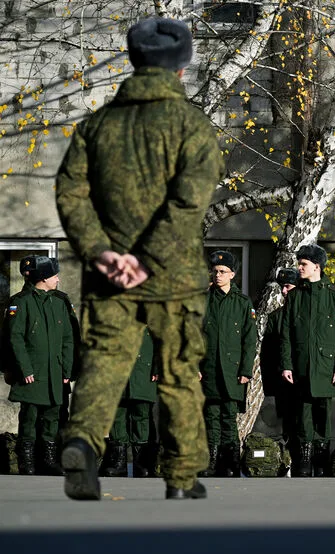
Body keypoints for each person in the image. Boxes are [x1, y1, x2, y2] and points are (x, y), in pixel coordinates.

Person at [56, 16, 225, 500]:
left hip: (109, 275)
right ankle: (182, 476)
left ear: (133, 61)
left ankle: (82, 446)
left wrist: (102, 253)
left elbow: (70, 193)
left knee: (104, 362)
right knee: (178, 370)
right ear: (181, 68)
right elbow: (189, 202)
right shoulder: (192, 126)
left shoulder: (96, 126)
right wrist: (147, 259)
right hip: (173, 273)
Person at [280, 245, 335, 477]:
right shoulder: (295, 296)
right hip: (301, 366)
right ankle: (304, 460)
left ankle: (321, 460)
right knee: (304, 415)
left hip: (326, 367)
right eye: (299, 263)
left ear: (317, 266)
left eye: (304, 264)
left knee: (323, 415)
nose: (299, 268)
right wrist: (286, 364)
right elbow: (286, 334)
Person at [3, 256, 74, 476]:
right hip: (33, 372)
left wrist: (67, 370)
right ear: (43, 278)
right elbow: (14, 338)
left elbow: (68, 339)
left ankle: (49, 461)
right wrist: (25, 369)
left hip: (55, 372)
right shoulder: (21, 302)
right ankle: (27, 462)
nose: (58, 279)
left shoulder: (59, 302)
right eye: (54, 275)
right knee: (30, 416)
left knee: (53, 416)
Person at [200, 250, 258, 478]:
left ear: (232, 274)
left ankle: (231, 462)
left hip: (233, 370)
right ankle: (212, 462)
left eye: (223, 271)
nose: (218, 275)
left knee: (229, 416)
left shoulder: (242, 302)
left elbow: (249, 340)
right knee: (211, 416)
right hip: (208, 369)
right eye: (215, 271)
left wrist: (246, 370)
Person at [100, 327, 158, 477]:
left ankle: (142, 463)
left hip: (144, 370)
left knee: (141, 415)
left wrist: (158, 366)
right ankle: (119, 462)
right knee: (117, 415)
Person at [260, 268, 299, 446]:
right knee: (288, 426)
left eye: (288, 287)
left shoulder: (309, 315)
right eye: (282, 287)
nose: (283, 291)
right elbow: (268, 353)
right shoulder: (276, 317)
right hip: (282, 382)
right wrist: (270, 386)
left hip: (305, 379)